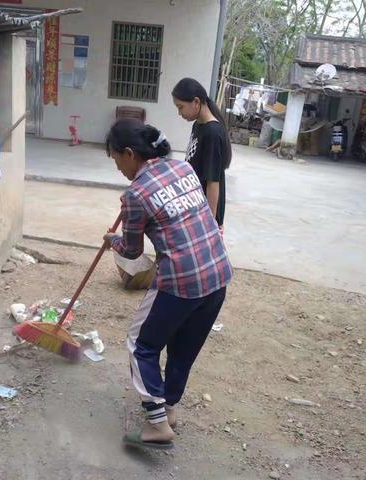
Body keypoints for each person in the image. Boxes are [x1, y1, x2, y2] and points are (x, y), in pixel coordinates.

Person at [103, 119, 233, 450]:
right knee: (182, 348)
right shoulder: (184, 169)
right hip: (218, 274)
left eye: (116, 159)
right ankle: (169, 410)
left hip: (181, 280)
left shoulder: (135, 194)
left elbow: (132, 253)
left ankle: (158, 426)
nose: (118, 167)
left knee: (140, 344)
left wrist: (113, 241)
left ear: (129, 154)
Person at [172, 78, 232, 231]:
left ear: (196, 102)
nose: (179, 113)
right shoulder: (198, 125)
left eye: (181, 107)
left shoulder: (212, 133)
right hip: (194, 205)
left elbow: (213, 182)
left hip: (205, 212)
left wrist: (210, 223)